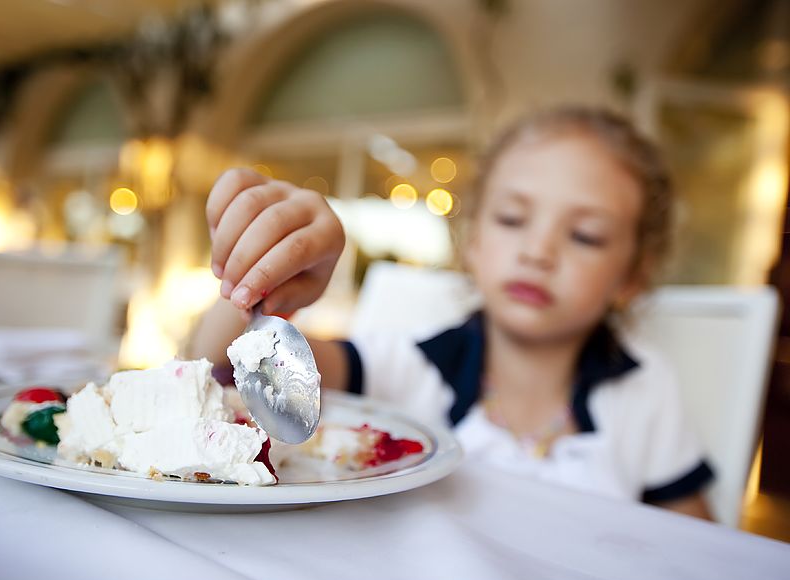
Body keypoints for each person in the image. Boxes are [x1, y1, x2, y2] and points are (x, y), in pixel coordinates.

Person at [184, 105, 713, 519]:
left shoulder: (646, 391)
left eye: (585, 235)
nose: (539, 251)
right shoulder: (408, 367)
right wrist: (261, 281)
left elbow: (696, 555)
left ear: (632, 276)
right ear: (474, 242)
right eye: (511, 219)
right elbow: (223, 369)